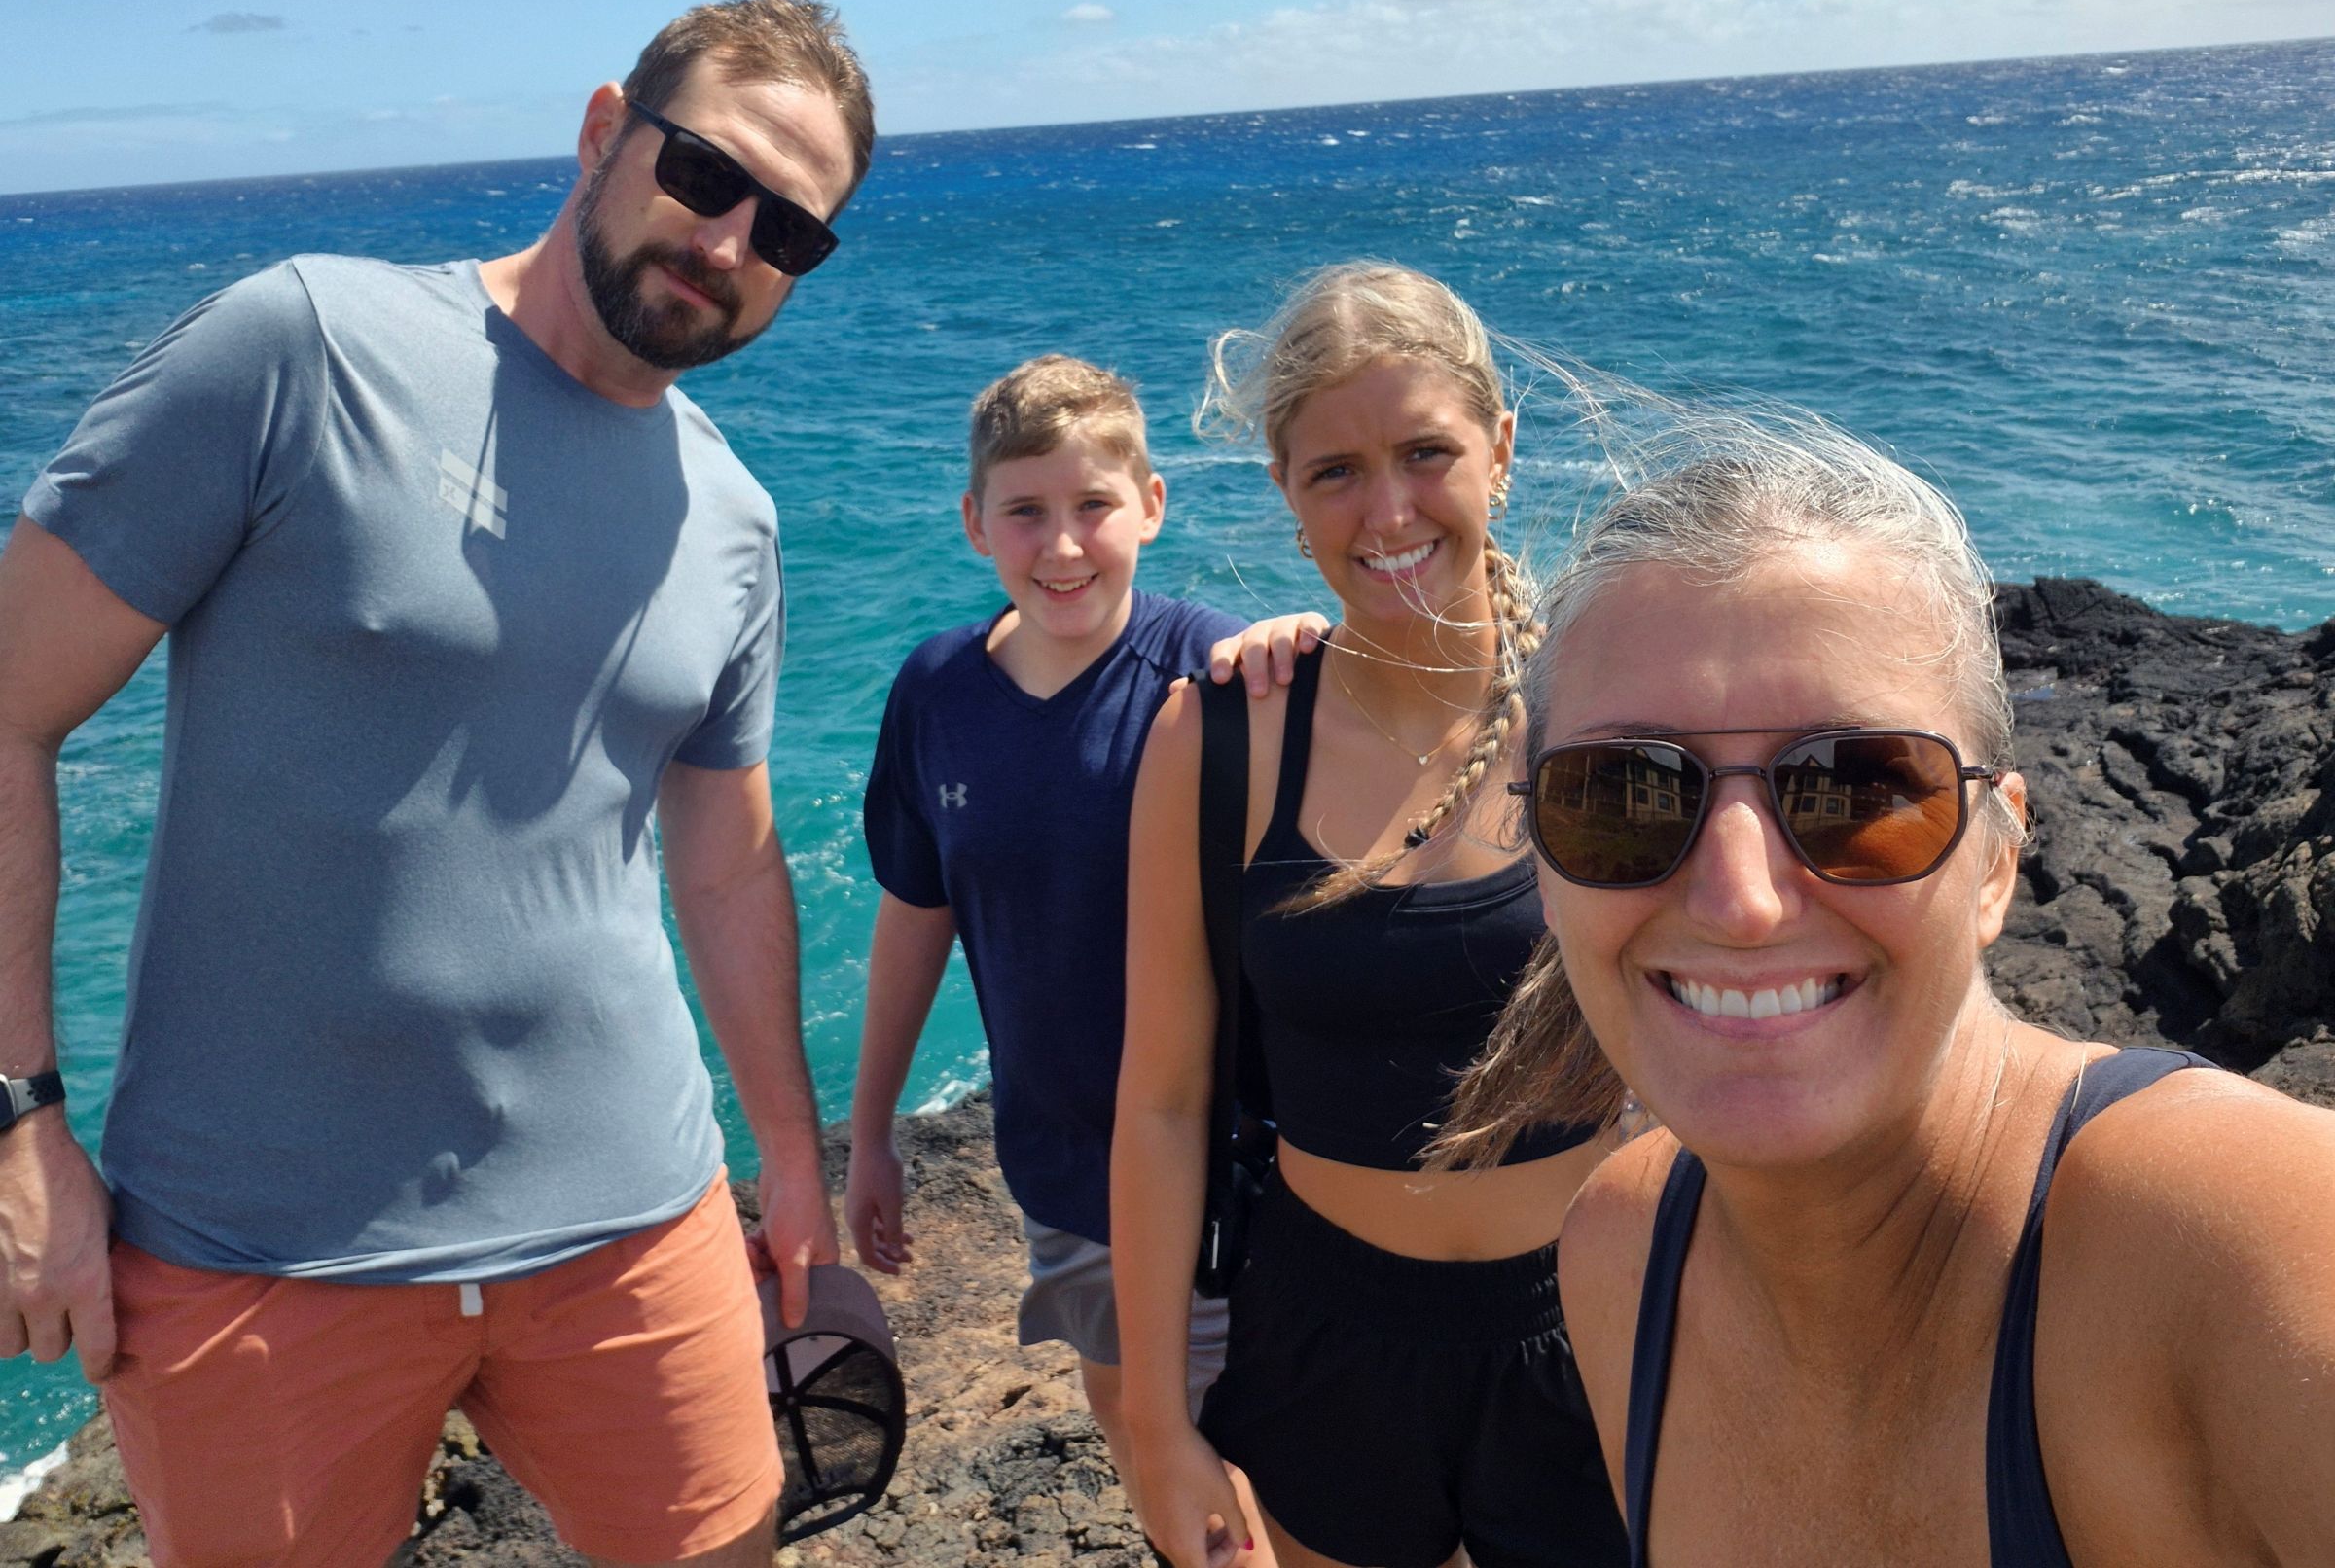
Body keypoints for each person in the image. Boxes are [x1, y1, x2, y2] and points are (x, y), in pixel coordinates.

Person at [0, 0, 873, 1567]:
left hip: (638, 1222)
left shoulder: (731, 516)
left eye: (792, 234)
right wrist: (20, 1123)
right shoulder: (302, 346)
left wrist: (795, 1170)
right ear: (607, 129)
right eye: (705, 174)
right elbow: (6, 714)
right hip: (261, 1248)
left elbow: (730, 865)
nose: (734, 242)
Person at [1434, 404, 2335, 1564]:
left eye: (1857, 789)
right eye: (1622, 794)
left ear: (1998, 860)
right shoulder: (1620, 1252)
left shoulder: (2241, 1238)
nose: (1739, 898)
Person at [1113, 264, 1632, 1568]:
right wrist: (1156, 1417)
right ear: (1288, 499)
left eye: (1425, 452)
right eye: (1334, 471)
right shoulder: (1216, 737)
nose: (1388, 509)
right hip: (1320, 1341)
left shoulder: (1604, 714)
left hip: (1594, 1328)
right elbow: (1163, 1101)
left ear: (1501, 450)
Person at [845, 354, 1314, 1545]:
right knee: (1125, 1412)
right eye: (1026, 512)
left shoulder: (1222, 674)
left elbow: (1363, 789)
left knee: (1233, 1449)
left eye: (1094, 507)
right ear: (974, 523)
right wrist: (870, 1136)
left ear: (1151, 505)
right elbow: (915, 911)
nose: (1063, 546)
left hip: (1230, 1166)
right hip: (1057, 1161)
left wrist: (1315, 650)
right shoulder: (938, 690)